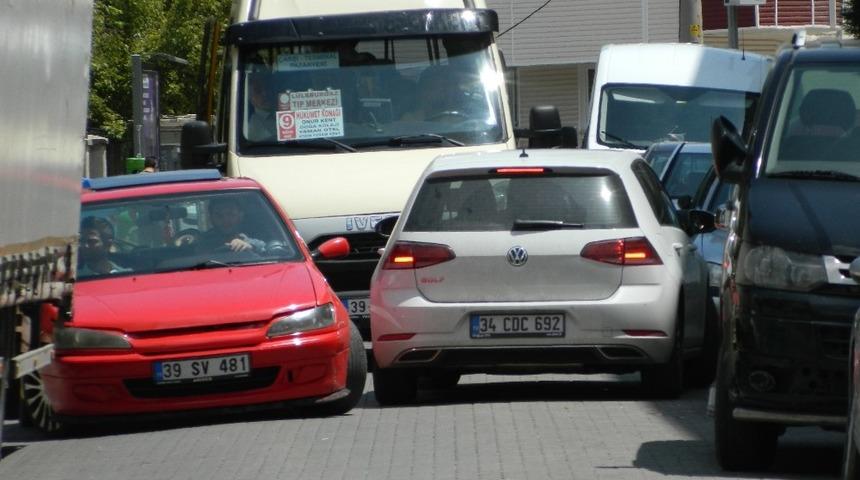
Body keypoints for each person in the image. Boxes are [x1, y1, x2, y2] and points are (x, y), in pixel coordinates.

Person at [197, 197, 266, 253]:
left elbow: (264, 247)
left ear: (240, 216)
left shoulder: (252, 240)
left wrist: (249, 247)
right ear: (211, 218)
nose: (225, 220)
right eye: (219, 215)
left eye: (231, 214)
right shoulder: (202, 241)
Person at [247, 74, 277, 142]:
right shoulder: (253, 126)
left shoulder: (286, 112)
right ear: (250, 98)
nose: (265, 94)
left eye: (267, 88)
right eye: (258, 91)